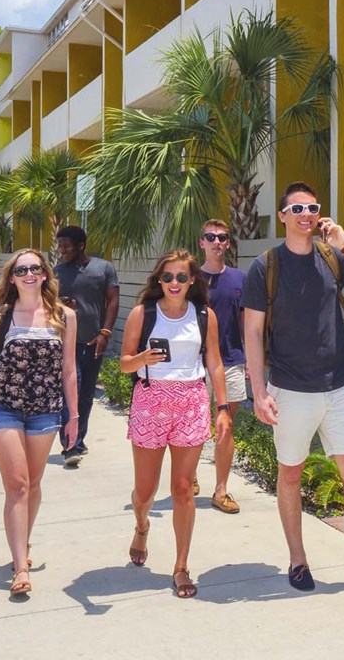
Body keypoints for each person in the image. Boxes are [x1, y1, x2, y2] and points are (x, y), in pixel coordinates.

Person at [243, 182, 344, 593]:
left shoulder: (333, 257)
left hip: (340, 386)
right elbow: (253, 333)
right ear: (282, 216)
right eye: (296, 208)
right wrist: (259, 392)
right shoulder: (266, 267)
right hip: (290, 389)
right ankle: (298, 561)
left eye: (312, 207)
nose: (305, 214)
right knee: (291, 474)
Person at [119, 249, 230, 598]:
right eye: (167, 277)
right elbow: (124, 363)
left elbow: (214, 362)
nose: (174, 283)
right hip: (151, 401)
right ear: (159, 280)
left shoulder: (204, 315)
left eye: (181, 277)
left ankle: (181, 566)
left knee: (183, 488)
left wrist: (223, 406)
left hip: (191, 401)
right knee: (146, 491)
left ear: (192, 280)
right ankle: (141, 525)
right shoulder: (143, 313)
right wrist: (141, 358)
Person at [0, 249, 78, 595]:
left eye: (36, 268)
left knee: (32, 484)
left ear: (45, 274)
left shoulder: (64, 316)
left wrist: (73, 416)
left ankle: (24, 543)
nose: (29, 274)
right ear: (12, 277)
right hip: (5, 407)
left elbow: (68, 371)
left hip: (46, 410)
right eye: (22, 270)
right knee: (17, 485)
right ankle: (20, 568)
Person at [54, 225, 119, 466]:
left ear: (81, 245)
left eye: (66, 246)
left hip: (94, 343)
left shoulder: (104, 268)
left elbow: (113, 301)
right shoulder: (57, 272)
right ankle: (70, 446)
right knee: (71, 392)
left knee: (87, 395)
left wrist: (105, 333)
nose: (62, 250)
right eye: (60, 246)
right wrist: (59, 303)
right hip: (66, 343)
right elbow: (49, 303)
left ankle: (78, 439)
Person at [196, 218, 247, 513]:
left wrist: (250, 361)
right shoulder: (188, 279)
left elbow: (245, 321)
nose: (217, 242)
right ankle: (188, 476)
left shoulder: (239, 279)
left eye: (222, 237)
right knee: (195, 425)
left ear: (228, 243)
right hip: (195, 365)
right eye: (210, 237)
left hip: (231, 362)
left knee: (226, 426)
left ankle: (221, 490)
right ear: (201, 242)